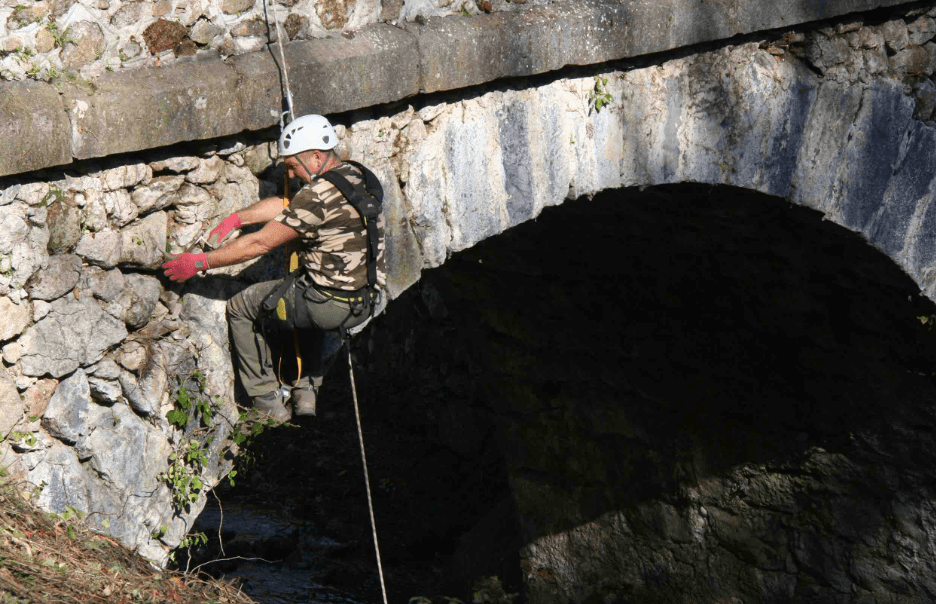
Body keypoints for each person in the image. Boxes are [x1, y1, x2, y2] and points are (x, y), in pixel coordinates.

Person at [163, 114, 386, 422]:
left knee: (243, 306)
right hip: (366, 300)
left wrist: (200, 262)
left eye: (293, 166)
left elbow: (260, 243)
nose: (290, 174)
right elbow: (292, 206)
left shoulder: (316, 195)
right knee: (302, 296)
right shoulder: (357, 175)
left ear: (316, 156)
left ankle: (267, 402)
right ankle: (306, 392)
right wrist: (238, 219)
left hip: (329, 306)